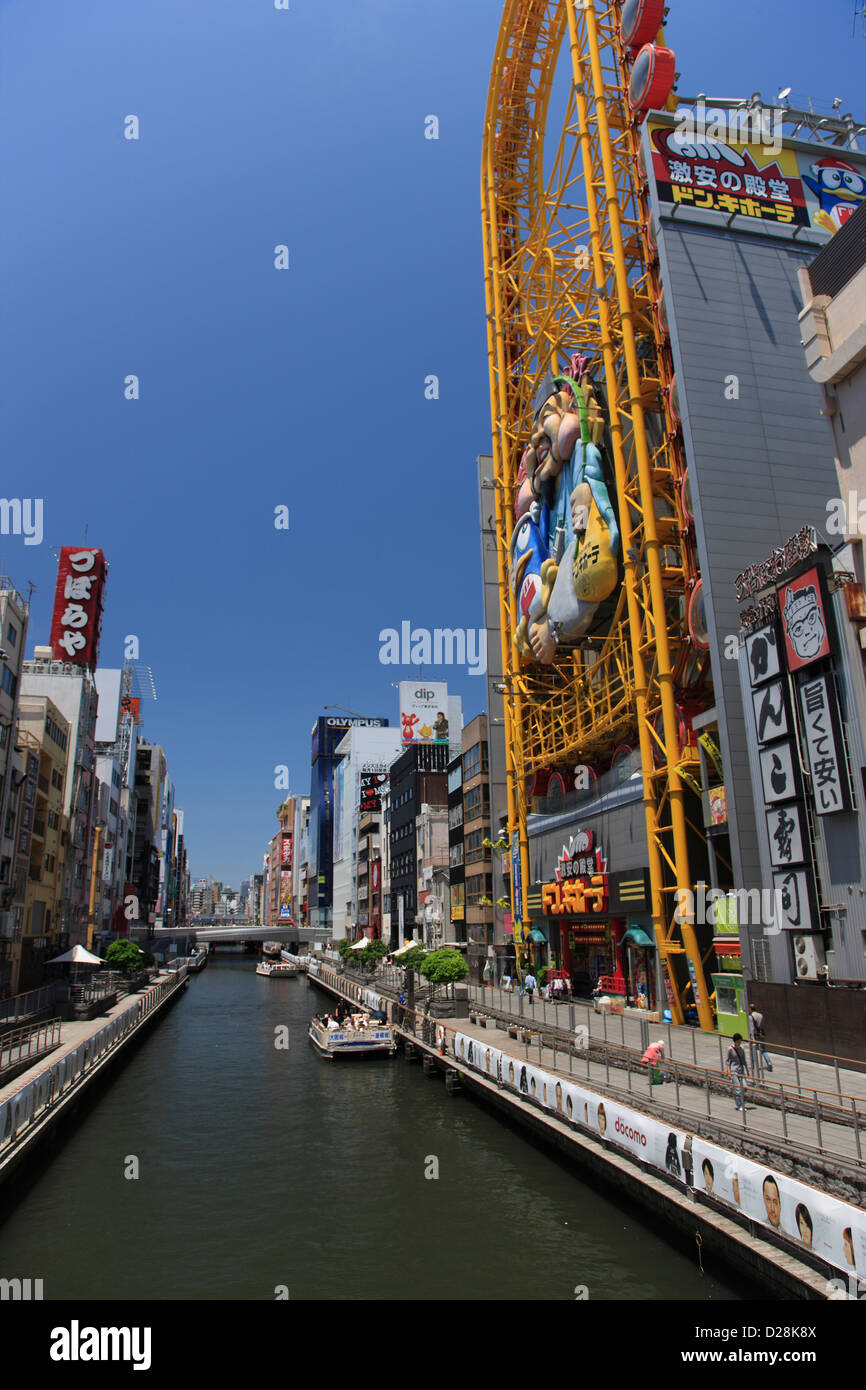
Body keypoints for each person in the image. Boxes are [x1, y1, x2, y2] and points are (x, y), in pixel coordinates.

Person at [725, 1033, 750, 1111]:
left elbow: (743, 1060)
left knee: (744, 1087)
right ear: (735, 1041)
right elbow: (728, 1061)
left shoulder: (741, 1048)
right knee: (738, 1088)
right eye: (738, 1041)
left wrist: (747, 1070)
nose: (740, 1043)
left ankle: (739, 1099)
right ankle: (740, 1105)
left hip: (741, 1070)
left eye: (740, 1041)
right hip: (734, 1071)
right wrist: (729, 1072)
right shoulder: (730, 1049)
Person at [748, 1004, 773, 1073]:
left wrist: (752, 1038)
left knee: (753, 1050)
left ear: (750, 1009)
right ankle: (769, 1063)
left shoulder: (750, 1017)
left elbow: (752, 1028)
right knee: (763, 1050)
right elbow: (761, 1025)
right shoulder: (760, 1015)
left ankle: (753, 1065)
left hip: (755, 1035)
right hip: (761, 1034)